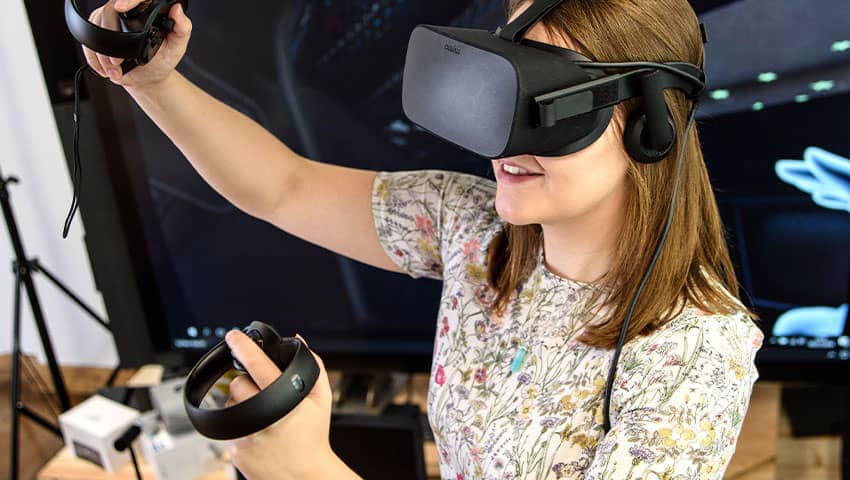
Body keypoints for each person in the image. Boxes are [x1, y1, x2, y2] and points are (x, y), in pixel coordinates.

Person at [82, 0, 764, 478]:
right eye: (502, 80)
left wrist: (306, 471)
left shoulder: (695, 356)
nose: (503, 138)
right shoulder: (475, 231)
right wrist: (154, 82)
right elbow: (282, 186)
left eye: (545, 106)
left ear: (650, 124)